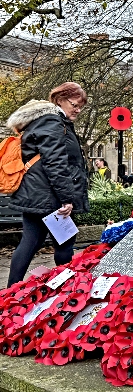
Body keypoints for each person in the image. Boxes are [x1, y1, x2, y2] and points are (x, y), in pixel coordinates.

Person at [4, 82, 89, 287]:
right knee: (65, 243)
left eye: (80, 107)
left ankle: (10, 291)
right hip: (49, 196)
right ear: (60, 99)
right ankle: (65, 289)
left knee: (31, 242)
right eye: (74, 104)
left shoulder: (46, 121)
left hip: (39, 194)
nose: (77, 110)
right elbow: (56, 163)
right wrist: (66, 198)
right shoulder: (52, 122)